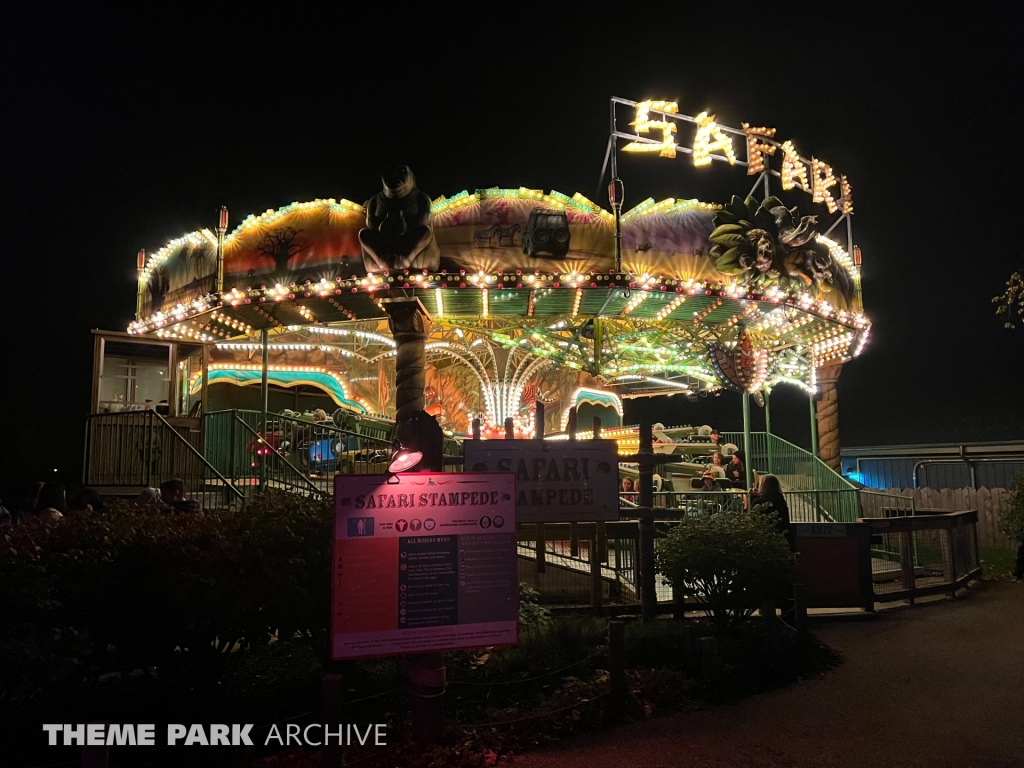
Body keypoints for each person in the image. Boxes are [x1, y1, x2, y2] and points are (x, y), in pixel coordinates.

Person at [751, 474, 793, 550]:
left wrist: (753, 498)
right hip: (783, 535)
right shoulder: (780, 499)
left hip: (766, 538)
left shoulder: (759, 502)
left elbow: (755, 518)